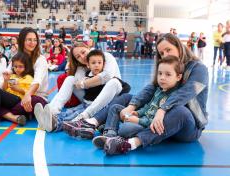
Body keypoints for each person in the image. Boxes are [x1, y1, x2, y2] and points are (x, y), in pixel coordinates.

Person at [68, 33, 209, 155]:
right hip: (158, 123)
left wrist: (162, 109)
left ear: (179, 47)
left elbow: (186, 92)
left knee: (180, 111)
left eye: (168, 50)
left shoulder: (198, 68)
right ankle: (93, 123)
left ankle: (130, 143)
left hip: (186, 126)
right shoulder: (165, 68)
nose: (165, 55)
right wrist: (131, 106)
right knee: (127, 98)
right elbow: (150, 89)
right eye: (161, 53)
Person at [34, 42, 123, 132]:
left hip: (110, 96)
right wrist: (84, 83)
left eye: (83, 52)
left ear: (88, 48)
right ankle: (52, 111)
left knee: (114, 82)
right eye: (78, 57)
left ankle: (83, 115)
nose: (82, 57)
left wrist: (84, 83)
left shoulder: (106, 56)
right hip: (91, 97)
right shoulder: (82, 67)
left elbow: (107, 76)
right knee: (70, 79)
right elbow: (77, 83)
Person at [0, 27, 48, 119]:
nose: (33, 43)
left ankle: (7, 113)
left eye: (35, 40)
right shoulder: (17, 57)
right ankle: (14, 117)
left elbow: (37, 81)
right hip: (17, 98)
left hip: (35, 96)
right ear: (22, 40)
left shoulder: (40, 59)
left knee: (36, 101)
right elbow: (6, 74)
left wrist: (27, 95)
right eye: (29, 40)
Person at [0, 52, 34, 126]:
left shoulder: (28, 78)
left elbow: (31, 93)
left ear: (26, 67)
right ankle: (16, 118)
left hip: (18, 100)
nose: (17, 69)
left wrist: (18, 89)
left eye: (20, 67)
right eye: (15, 67)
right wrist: (6, 80)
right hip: (10, 100)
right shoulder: (12, 76)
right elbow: (4, 90)